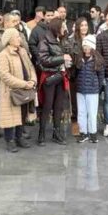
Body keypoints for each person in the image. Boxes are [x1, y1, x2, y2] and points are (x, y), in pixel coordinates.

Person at [0, 12, 29, 142]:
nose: (16, 23)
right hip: (1, 77)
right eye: (13, 21)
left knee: (19, 102)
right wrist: (8, 37)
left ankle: (20, 130)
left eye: (17, 21)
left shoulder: (20, 34)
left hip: (18, 76)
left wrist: (18, 38)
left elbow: (26, 49)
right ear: (6, 23)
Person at [0, 27, 36, 153]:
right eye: (17, 37)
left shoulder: (22, 51)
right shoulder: (3, 55)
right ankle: (10, 140)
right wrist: (24, 84)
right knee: (10, 117)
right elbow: (5, 76)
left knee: (22, 115)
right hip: (11, 91)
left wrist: (33, 80)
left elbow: (30, 67)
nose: (20, 39)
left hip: (24, 89)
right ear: (10, 40)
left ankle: (19, 137)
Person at [37, 18, 71, 146]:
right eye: (62, 26)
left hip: (61, 75)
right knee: (47, 105)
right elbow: (44, 59)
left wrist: (67, 60)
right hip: (50, 76)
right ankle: (41, 133)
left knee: (58, 106)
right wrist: (62, 58)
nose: (64, 29)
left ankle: (56, 133)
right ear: (56, 27)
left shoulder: (62, 39)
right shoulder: (45, 40)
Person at [74, 34, 104, 143]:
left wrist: (97, 87)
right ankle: (83, 133)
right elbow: (76, 73)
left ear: (92, 47)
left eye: (88, 46)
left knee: (92, 113)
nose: (85, 48)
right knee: (81, 112)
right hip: (80, 90)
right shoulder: (79, 58)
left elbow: (101, 76)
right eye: (84, 46)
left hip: (92, 90)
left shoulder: (98, 59)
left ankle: (93, 133)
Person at [66, 17, 91, 136]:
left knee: (88, 100)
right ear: (77, 27)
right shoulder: (71, 40)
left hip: (89, 74)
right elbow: (69, 58)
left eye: (86, 25)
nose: (84, 27)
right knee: (75, 101)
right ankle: (76, 124)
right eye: (82, 25)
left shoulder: (92, 39)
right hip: (75, 74)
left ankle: (88, 125)